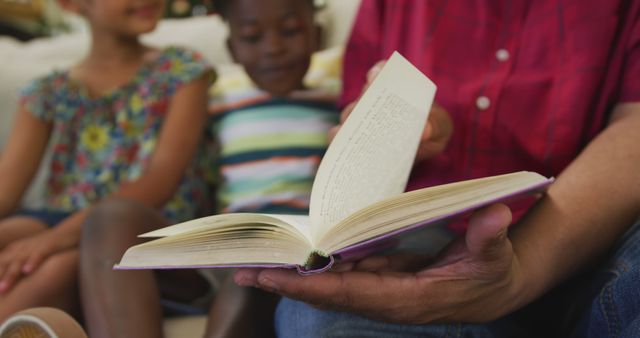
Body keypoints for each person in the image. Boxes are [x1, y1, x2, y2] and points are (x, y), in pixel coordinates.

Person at [234, 0, 640, 337]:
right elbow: (364, 116)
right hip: (418, 231)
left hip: (595, 228)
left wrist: (520, 275)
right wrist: (404, 136)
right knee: (321, 317)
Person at [78, 0, 339, 337]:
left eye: (290, 31)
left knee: (251, 273)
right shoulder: (219, 104)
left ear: (316, 36)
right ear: (232, 48)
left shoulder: (337, 104)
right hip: (218, 253)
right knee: (111, 217)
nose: (273, 49)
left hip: (293, 259)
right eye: (252, 37)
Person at [0, 0, 213, 323]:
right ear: (70, 3)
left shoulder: (182, 71)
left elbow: (160, 180)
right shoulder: (47, 92)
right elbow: (5, 191)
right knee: (13, 231)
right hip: (59, 216)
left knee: (61, 264)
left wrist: (54, 240)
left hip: (140, 230)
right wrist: (49, 235)